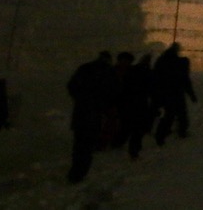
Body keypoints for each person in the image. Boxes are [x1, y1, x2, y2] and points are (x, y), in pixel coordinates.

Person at [66, 51, 114, 183]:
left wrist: (81, 99)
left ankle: (75, 172)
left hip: (81, 112)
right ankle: (81, 172)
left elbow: (71, 86)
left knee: (79, 144)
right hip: (96, 114)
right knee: (89, 145)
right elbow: (114, 93)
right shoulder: (109, 73)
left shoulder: (84, 68)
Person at [153, 42, 197, 145]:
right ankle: (180, 131)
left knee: (170, 114)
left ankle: (161, 135)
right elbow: (185, 80)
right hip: (176, 92)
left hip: (166, 92)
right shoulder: (180, 63)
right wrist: (191, 94)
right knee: (180, 114)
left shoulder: (162, 61)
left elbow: (156, 77)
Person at [114, 53, 155, 159]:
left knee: (126, 126)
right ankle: (134, 150)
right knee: (137, 129)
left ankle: (118, 143)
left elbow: (124, 85)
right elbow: (152, 90)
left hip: (128, 103)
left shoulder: (132, 70)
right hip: (140, 104)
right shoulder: (149, 73)